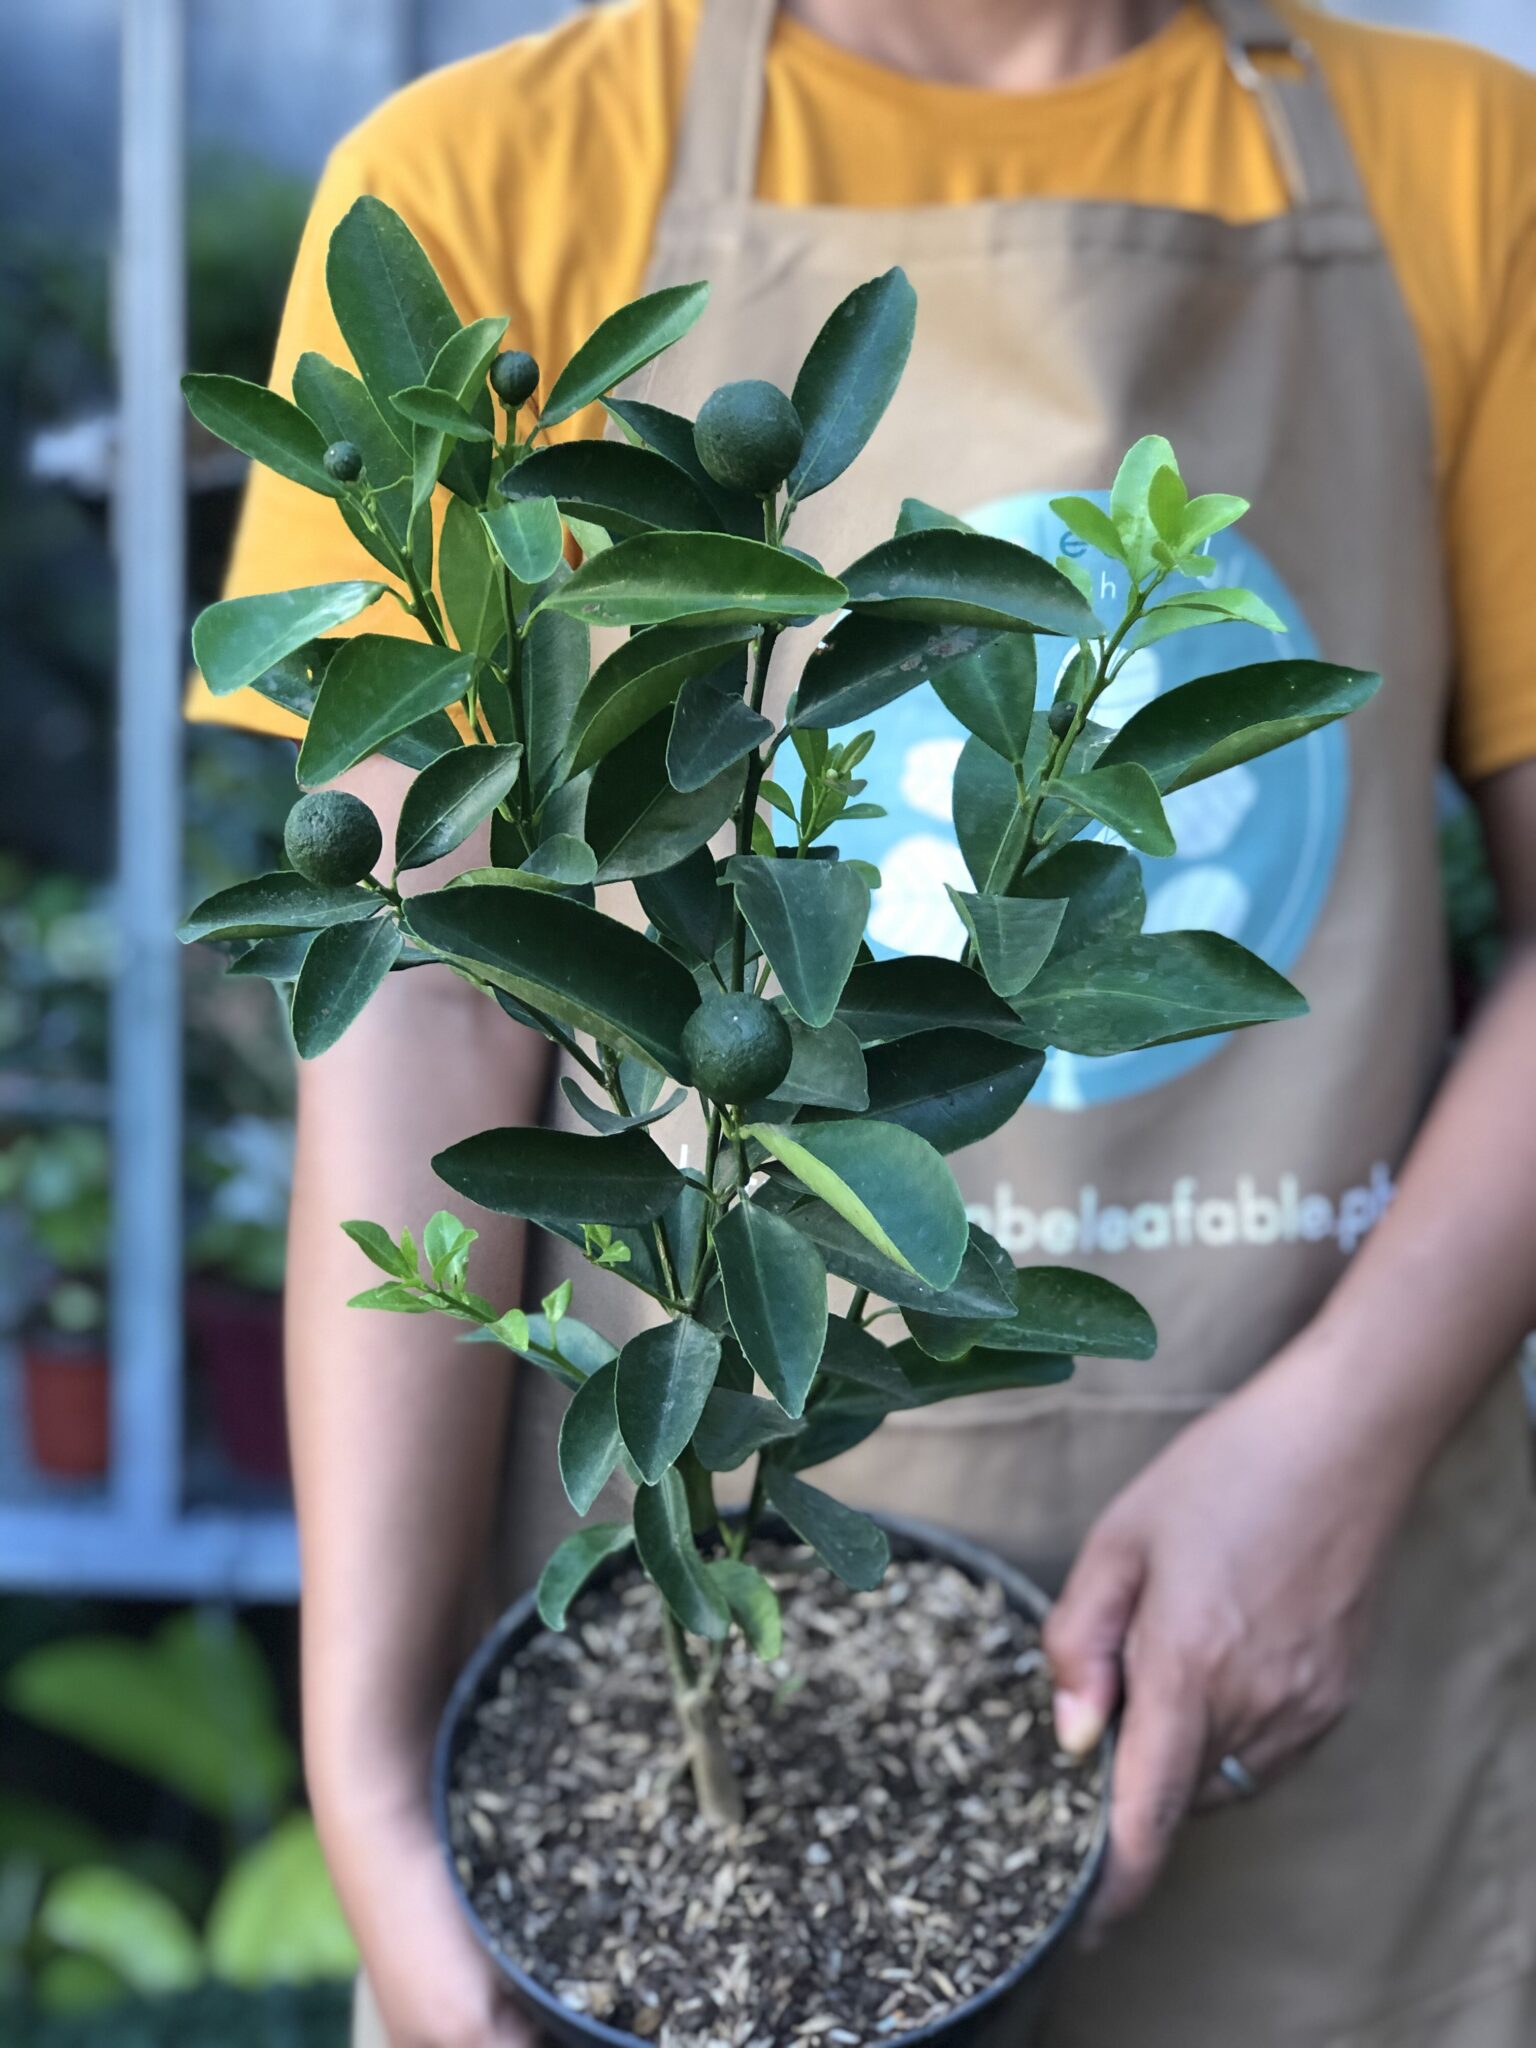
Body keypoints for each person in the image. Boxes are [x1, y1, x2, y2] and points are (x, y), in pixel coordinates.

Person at [187, 1, 1536, 2042]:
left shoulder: (1465, 161)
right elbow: (422, 1022)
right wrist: (371, 1778)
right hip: (657, 1702)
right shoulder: (496, 177)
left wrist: (1340, 1453)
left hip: (1308, 1626)